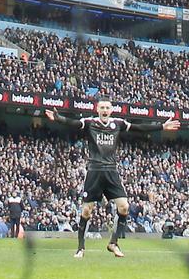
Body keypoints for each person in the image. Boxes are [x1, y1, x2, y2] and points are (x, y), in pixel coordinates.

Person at [45, 101, 179, 258]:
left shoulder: (118, 123)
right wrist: (58, 118)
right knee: (87, 211)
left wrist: (161, 127)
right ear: (97, 109)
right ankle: (80, 248)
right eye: (102, 107)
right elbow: (73, 123)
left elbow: (139, 128)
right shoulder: (90, 122)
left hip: (111, 171)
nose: (105, 110)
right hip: (94, 171)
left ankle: (113, 243)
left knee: (124, 207)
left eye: (107, 108)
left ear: (111, 110)